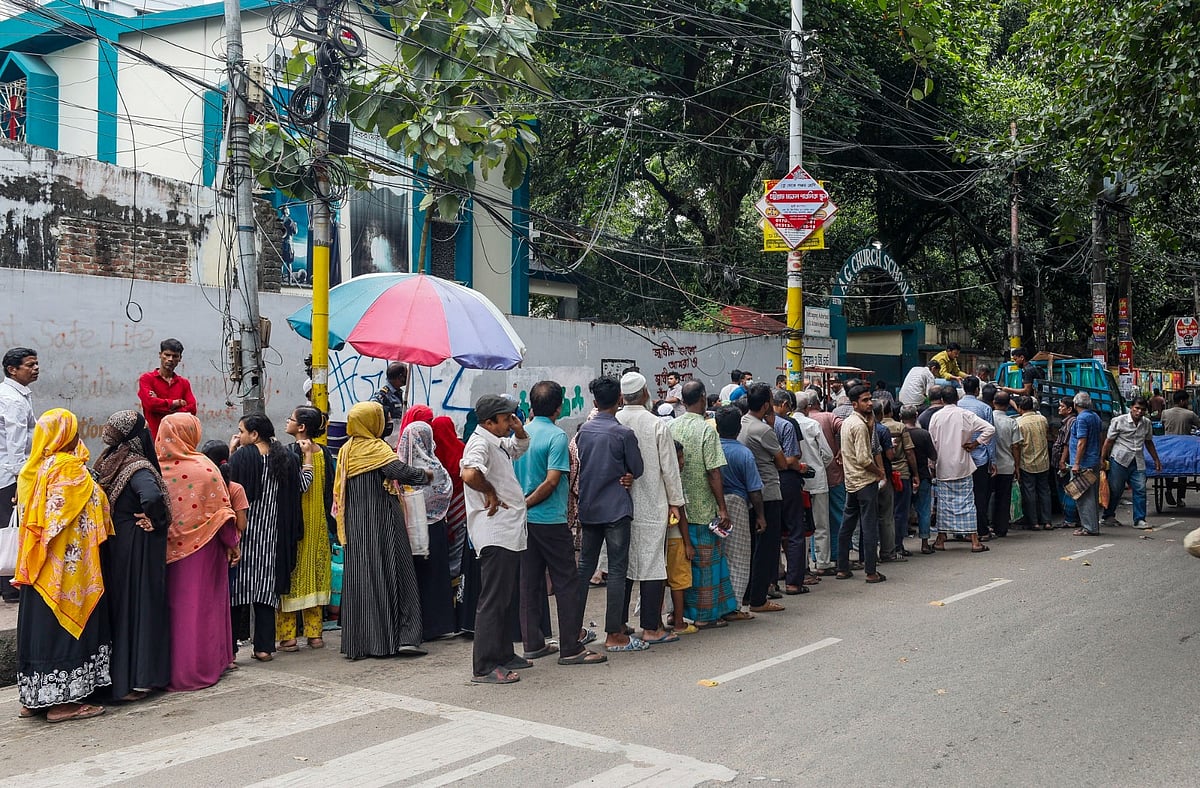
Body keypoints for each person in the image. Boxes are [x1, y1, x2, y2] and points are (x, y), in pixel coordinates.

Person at [14, 409, 113, 722]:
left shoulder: (33, 469)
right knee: (63, 629)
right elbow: (89, 508)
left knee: (37, 628)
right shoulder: (70, 470)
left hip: (36, 567)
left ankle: (34, 699)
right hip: (66, 571)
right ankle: (63, 704)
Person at [514, 382, 604, 665]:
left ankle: (533, 643)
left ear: (530, 405)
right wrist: (528, 503)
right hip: (549, 519)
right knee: (567, 582)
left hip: (524, 522)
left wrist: (521, 506)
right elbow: (553, 481)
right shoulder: (556, 436)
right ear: (558, 407)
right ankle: (570, 647)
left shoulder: (520, 436)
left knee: (529, 583)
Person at [334, 402, 431, 660]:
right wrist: (427, 475)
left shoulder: (346, 450)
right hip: (383, 521)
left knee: (362, 576)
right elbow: (401, 472)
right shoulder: (377, 449)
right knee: (396, 572)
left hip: (356, 524)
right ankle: (402, 637)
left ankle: (361, 642)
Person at [93, 410, 170, 702]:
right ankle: (139, 680)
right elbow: (151, 496)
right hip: (138, 544)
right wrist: (156, 519)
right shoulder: (137, 465)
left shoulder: (108, 461)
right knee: (141, 607)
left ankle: (118, 679)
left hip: (116, 544)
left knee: (120, 607)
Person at [157, 416, 239, 691]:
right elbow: (222, 513)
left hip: (164, 552)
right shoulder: (205, 468)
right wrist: (233, 543)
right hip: (203, 551)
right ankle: (202, 668)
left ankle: (169, 672)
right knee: (202, 610)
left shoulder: (154, 468)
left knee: (174, 611)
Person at [461, 394, 530, 683]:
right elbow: (468, 474)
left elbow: (518, 448)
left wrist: (518, 430)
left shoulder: (495, 440)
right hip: (495, 531)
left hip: (508, 530)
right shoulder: (479, 442)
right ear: (489, 422)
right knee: (493, 600)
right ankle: (486, 664)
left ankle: (503, 653)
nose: (509, 423)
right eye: (504, 419)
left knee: (505, 598)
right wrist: (489, 491)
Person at [227, 414, 305, 662]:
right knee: (266, 591)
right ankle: (263, 648)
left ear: (254, 434)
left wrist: (231, 453)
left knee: (236, 593)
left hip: (244, 535)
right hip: (274, 538)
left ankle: (230, 651)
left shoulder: (241, 457)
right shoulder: (288, 459)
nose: (239, 436)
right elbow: (300, 489)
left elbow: (229, 491)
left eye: (241, 431)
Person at [576, 376, 646, 652]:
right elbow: (637, 468)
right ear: (619, 399)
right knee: (617, 570)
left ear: (594, 402)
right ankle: (614, 633)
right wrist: (627, 474)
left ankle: (574, 628)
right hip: (616, 507)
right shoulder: (623, 434)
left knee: (584, 568)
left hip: (590, 507)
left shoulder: (584, 432)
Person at [616, 372, 686, 643]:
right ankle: (651, 627)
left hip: (620, 504)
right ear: (645, 393)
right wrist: (676, 504)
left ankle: (619, 623)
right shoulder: (656, 424)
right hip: (652, 503)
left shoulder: (615, 420)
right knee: (652, 564)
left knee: (622, 565)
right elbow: (670, 469)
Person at [669, 381, 737, 629]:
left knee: (683, 565)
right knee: (706, 566)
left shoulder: (671, 425)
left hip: (679, 508)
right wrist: (722, 507)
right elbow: (714, 472)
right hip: (703, 508)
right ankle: (706, 615)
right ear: (702, 398)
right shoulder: (708, 430)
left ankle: (680, 612)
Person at [278, 406, 334, 651]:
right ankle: (315, 634)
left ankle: (288, 637)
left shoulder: (289, 452)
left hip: (294, 526)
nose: (287, 421)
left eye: (291, 419)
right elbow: (329, 490)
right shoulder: (325, 453)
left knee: (291, 575)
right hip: (319, 525)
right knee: (315, 574)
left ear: (301, 428)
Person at [397, 417, 457, 641]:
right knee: (435, 577)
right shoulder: (435, 466)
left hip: (408, 528)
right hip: (435, 529)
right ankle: (438, 625)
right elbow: (445, 492)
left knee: (414, 578)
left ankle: (413, 627)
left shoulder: (400, 466)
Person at [739, 383, 789, 612]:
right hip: (767, 490)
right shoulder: (763, 430)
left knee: (752, 547)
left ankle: (749, 593)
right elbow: (781, 462)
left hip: (748, 491)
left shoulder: (742, 423)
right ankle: (759, 598)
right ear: (767, 405)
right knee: (767, 547)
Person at [928, 387, 994, 552]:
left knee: (944, 504)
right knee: (967, 503)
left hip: (943, 466)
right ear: (957, 399)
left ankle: (941, 539)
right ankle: (974, 541)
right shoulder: (965, 415)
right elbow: (990, 429)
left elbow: (932, 444)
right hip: (963, 465)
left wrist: (932, 465)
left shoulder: (936, 417)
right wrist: (975, 444)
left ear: (942, 400)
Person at [716, 406, 764, 611]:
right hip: (737, 506)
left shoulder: (713, 448)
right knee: (739, 558)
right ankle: (734, 606)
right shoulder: (744, 453)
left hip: (716, 507)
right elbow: (754, 489)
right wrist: (761, 516)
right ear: (738, 429)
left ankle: (716, 603)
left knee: (717, 557)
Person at [836, 385, 886, 582]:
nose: (870, 403)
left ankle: (842, 567)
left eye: (870, 399)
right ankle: (871, 571)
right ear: (854, 404)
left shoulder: (848, 423)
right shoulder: (858, 425)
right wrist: (879, 472)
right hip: (864, 482)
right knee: (869, 527)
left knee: (847, 525)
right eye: (865, 400)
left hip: (851, 481)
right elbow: (865, 459)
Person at [0, 346, 38, 603]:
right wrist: (18, 479)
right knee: (9, 529)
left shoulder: (16, 394)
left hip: (8, 472)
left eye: (36, 364)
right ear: (12, 370)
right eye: (30, 365)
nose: (35, 369)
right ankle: (10, 586)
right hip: (10, 475)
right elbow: (15, 442)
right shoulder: (12, 399)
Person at [771, 390, 813, 597]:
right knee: (795, 531)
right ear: (785, 404)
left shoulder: (753, 425)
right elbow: (793, 457)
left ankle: (770, 582)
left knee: (771, 533)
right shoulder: (786, 425)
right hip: (786, 480)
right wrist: (798, 467)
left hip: (764, 482)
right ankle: (794, 582)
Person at [1101, 397, 1162, 530]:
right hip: (1119, 460)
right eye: (1137, 408)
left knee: (1140, 490)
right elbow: (1109, 441)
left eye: (1143, 410)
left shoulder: (1146, 423)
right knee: (1116, 490)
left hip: (1138, 460)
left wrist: (1156, 459)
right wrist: (1102, 459)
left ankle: (1139, 519)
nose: (1139, 412)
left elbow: (1148, 442)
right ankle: (1108, 516)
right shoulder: (1119, 421)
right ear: (1131, 408)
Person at [431, 416, 469, 616]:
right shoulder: (461, 450)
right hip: (461, 511)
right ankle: (456, 600)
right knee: (458, 556)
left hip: (440, 512)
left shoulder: (432, 454)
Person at [794, 392, 835, 575]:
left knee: (799, 525)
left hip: (797, 480)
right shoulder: (812, 424)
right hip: (817, 479)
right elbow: (827, 454)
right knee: (821, 525)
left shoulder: (785, 424)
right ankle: (823, 563)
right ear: (807, 408)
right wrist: (818, 466)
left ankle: (801, 565)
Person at [807, 394, 843, 574]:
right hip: (829, 476)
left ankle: (812, 558)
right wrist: (841, 452)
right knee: (830, 520)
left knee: (807, 522)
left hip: (802, 481)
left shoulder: (790, 422)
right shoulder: (827, 417)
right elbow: (845, 429)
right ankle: (829, 557)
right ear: (816, 403)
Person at [137, 338, 197, 440]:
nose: (170, 359)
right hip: (154, 439)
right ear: (160, 355)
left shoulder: (183, 383)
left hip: (177, 440)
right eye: (167, 355)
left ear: (180, 358)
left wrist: (160, 404)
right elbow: (150, 404)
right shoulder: (147, 379)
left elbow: (192, 410)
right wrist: (175, 403)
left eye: (175, 356)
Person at [960, 376, 996, 540]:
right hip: (980, 458)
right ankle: (981, 530)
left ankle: (963, 531)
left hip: (960, 458)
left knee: (962, 495)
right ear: (977, 390)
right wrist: (992, 461)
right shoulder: (984, 408)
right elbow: (990, 435)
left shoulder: (956, 406)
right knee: (979, 496)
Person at [899, 406, 937, 553]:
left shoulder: (898, 432)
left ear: (901, 416)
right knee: (924, 510)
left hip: (902, 476)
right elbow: (933, 456)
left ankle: (899, 544)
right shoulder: (923, 434)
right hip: (922, 474)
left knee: (902, 511)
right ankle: (925, 543)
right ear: (916, 416)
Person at [882, 399, 917, 557]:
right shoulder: (899, 427)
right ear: (891, 411)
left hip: (881, 474)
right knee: (900, 511)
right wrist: (915, 473)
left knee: (883, 512)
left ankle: (884, 546)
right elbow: (909, 452)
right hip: (901, 473)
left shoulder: (872, 427)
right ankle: (897, 545)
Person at [1014, 395, 1053, 531]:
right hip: (1043, 461)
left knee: (1029, 492)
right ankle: (1047, 521)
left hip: (1027, 462)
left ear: (1019, 408)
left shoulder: (1018, 422)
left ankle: (1034, 522)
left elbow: (1017, 446)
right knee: (1044, 491)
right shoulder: (1043, 419)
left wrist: (1017, 466)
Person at [988, 391, 1023, 538]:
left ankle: (987, 525)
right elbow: (1016, 446)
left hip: (989, 466)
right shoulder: (1012, 422)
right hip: (1007, 465)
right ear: (1008, 404)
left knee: (987, 496)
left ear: (993, 402)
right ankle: (1001, 528)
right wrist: (1016, 466)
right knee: (1003, 499)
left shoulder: (987, 419)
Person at [1068, 392, 1104, 536]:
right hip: (1093, 460)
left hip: (1084, 463)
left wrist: (1076, 463)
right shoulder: (1095, 417)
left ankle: (1089, 527)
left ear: (1075, 404)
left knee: (1083, 496)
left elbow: (1082, 442)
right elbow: (1101, 437)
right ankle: (1090, 525)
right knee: (1091, 496)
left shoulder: (1081, 419)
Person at [1160, 390, 1199, 507]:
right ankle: (1180, 498)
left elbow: (1163, 426)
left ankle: (1168, 489)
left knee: (1168, 470)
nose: (1188, 402)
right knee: (1184, 472)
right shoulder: (1190, 414)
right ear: (1182, 401)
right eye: (1187, 400)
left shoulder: (1165, 413)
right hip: (1184, 448)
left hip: (1168, 447)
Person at [1052, 397, 1079, 530]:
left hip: (1066, 462)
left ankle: (1070, 518)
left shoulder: (1071, 423)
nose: (1059, 408)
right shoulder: (1067, 422)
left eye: (1062, 406)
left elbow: (1067, 444)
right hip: (1063, 461)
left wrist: (1062, 461)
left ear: (1069, 409)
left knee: (1068, 489)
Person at [372, 362, 408, 448]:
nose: (407, 378)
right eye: (405, 375)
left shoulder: (398, 393)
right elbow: (374, 417)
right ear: (400, 377)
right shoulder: (382, 396)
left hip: (396, 441)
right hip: (387, 442)